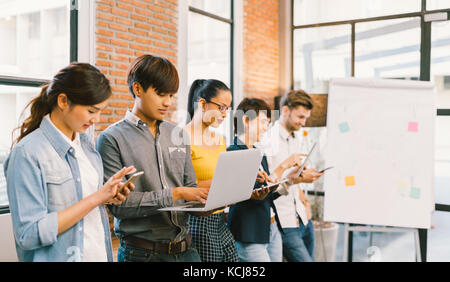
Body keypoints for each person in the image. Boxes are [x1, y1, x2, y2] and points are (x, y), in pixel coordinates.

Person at [4, 63, 136, 262]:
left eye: (100, 111)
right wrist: (97, 198)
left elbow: (83, 205)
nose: (96, 119)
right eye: (91, 111)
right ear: (63, 101)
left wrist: (109, 196)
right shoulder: (27, 153)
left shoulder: (87, 147)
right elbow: (28, 234)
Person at [97, 54, 208, 262]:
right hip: (142, 255)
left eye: (172, 95)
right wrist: (175, 193)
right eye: (161, 94)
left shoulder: (178, 134)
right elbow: (119, 206)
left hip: (187, 251)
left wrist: (209, 203)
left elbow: (189, 188)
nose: (168, 103)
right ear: (138, 89)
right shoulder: (111, 138)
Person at [227, 98, 305, 262]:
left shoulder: (258, 152)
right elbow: (249, 195)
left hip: (269, 227)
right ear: (246, 120)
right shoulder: (233, 152)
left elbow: (269, 193)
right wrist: (283, 165)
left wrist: (290, 180)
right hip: (249, 232)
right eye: (263, 122)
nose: (266, 127)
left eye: (268, 123)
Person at [260, 89, 324, 262]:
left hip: (302, 216)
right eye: (300, 117)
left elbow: (295, 175)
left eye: (306, 117)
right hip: (284, 220)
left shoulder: (295, 136)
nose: (303, 122)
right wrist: (298, 178)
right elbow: (271, 183)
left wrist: (304, 198)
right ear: (286, 110)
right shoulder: (269, 141)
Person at [184, 79, 240, 262]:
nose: (225, 114)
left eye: (228, 109)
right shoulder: (182, 137)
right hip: (198, 219)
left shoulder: (221, 139)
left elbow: (223, 177)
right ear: (202, 103)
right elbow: (180, 187)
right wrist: (223, 182)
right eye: (221, 107)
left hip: (220, 216)